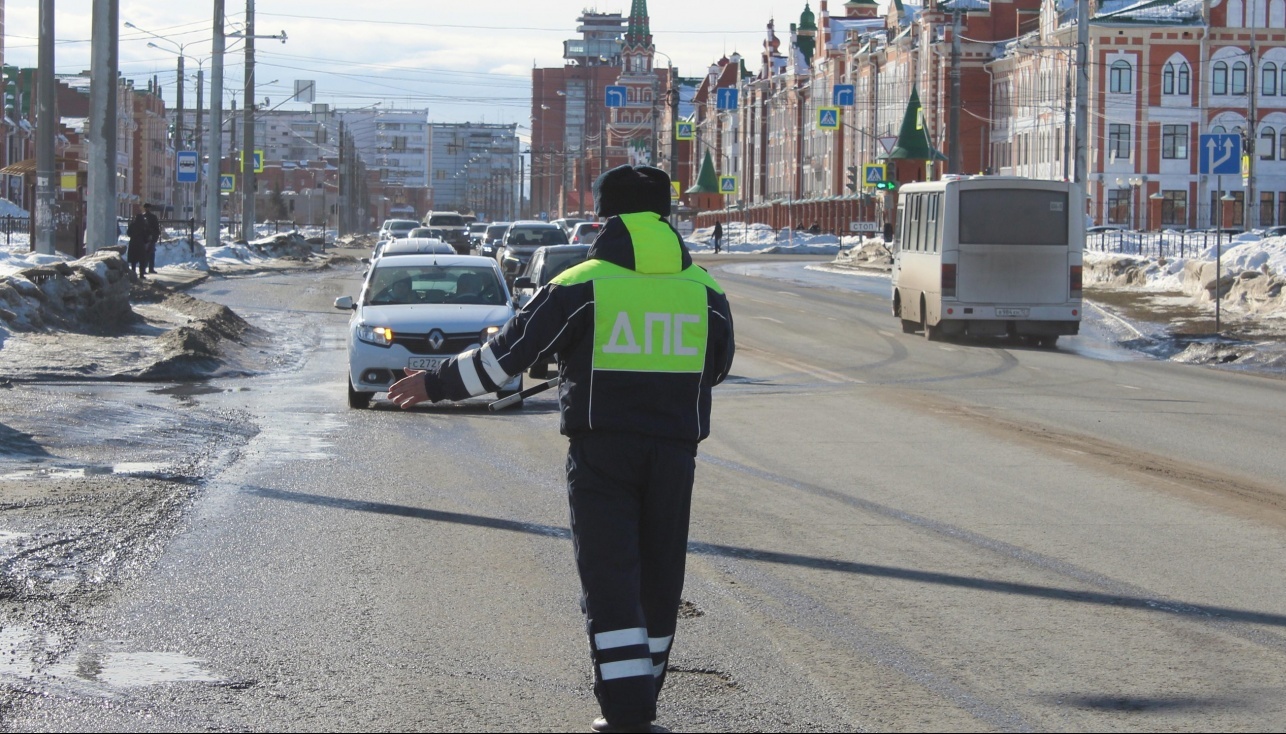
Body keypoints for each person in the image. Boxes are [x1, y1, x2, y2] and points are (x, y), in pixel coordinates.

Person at [388, 164, 735, 734]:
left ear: (605, 216)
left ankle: (627, 715)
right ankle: (643, 698)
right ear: (667, 216)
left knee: (610, 578)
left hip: (602, 454)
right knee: (659, 577)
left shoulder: (581, 284)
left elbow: (506, 358)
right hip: (675, 454)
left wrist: (436, 382)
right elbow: (716, 368)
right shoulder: (707, 289)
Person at [125, 204, 155, 279]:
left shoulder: (132, 225)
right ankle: (141, 274)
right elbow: (147, 235)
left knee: (133, 261)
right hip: (141, 245)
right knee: (142, 260)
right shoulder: (144, 226)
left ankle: (133, 273)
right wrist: (147, 241)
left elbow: (128, 233)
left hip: (132, 244)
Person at [142, 203, 161, 274]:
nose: (147, 209)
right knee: (149, 254)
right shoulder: (151, 217)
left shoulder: (151, 217)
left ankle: (148, 268)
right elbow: (157, 228)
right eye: (146, 208)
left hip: (148, 238)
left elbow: (156, 228)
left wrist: (155, 237)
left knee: (149, 254)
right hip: (147, 238)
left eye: (148, 208)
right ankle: (148, 268)